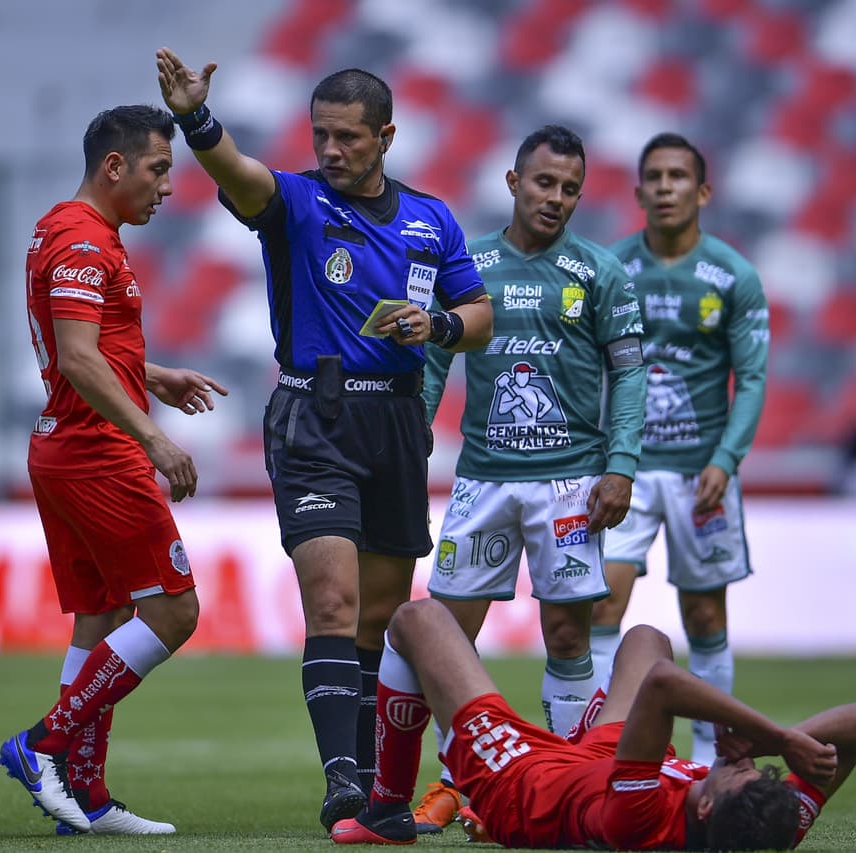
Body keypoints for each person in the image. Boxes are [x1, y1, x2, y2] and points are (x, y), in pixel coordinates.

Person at [154, 48, 493, 831]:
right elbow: (238, 172)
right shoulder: (297, 204)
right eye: (321, 135)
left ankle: (374, 791)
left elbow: (478, 318)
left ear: (387, 136)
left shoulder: (431, 218)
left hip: (398, 421)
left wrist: (437, 323)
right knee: (333, 599)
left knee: (378, 616)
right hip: (316, 417)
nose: (331, 150)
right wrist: (194, 117)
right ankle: (344, 777)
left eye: (348, 137)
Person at [0, 104, 229, 835]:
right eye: (160, 169)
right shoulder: (82, 243)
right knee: (174, 609)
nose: (168, 187)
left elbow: (89, 346)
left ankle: (86, 799)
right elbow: (77, 357)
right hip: (99, 452)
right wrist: (155, 439)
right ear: (116, 166)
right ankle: (43, 744)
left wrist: (150, 374)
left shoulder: (67, 230)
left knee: (104, 617)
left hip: (68, 445)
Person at [414, 124, 646, 832]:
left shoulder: (600, 271)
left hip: (570, 482)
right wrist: (413, 437)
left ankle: (572, 777)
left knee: (569, 633)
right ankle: (456, 780)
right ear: (514, 182)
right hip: (483, 479)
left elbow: (630, 373)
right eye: (544, 183)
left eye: (570, 188)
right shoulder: (471, 263)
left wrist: (621, 466)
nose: (556, 198)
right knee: (448, 634)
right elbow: (432, 360)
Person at [331, 598, 856, 850]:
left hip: (524, 783)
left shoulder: (640, 823)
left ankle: (386, 810)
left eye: (741, 771)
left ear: (706, 807)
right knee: (645, 637)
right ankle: (578, 730)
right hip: (611, 764)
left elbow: (664, 684)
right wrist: (771, 751)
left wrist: (779, 739)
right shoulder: (775, 826)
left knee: (418, 620)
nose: (744, 761)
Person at [594, 132, 770, 766]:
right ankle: (598, 746)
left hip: (702, 471)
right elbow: (591, 370)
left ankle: (711, 755)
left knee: (703, 616)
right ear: (639, 191)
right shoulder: (612, 269)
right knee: (601, 602)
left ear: (702, 191)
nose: (665, 187)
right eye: (654, 177)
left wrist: (727, 458)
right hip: (627, 472)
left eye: (677, 176)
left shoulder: (732, 275)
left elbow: (750, 377)